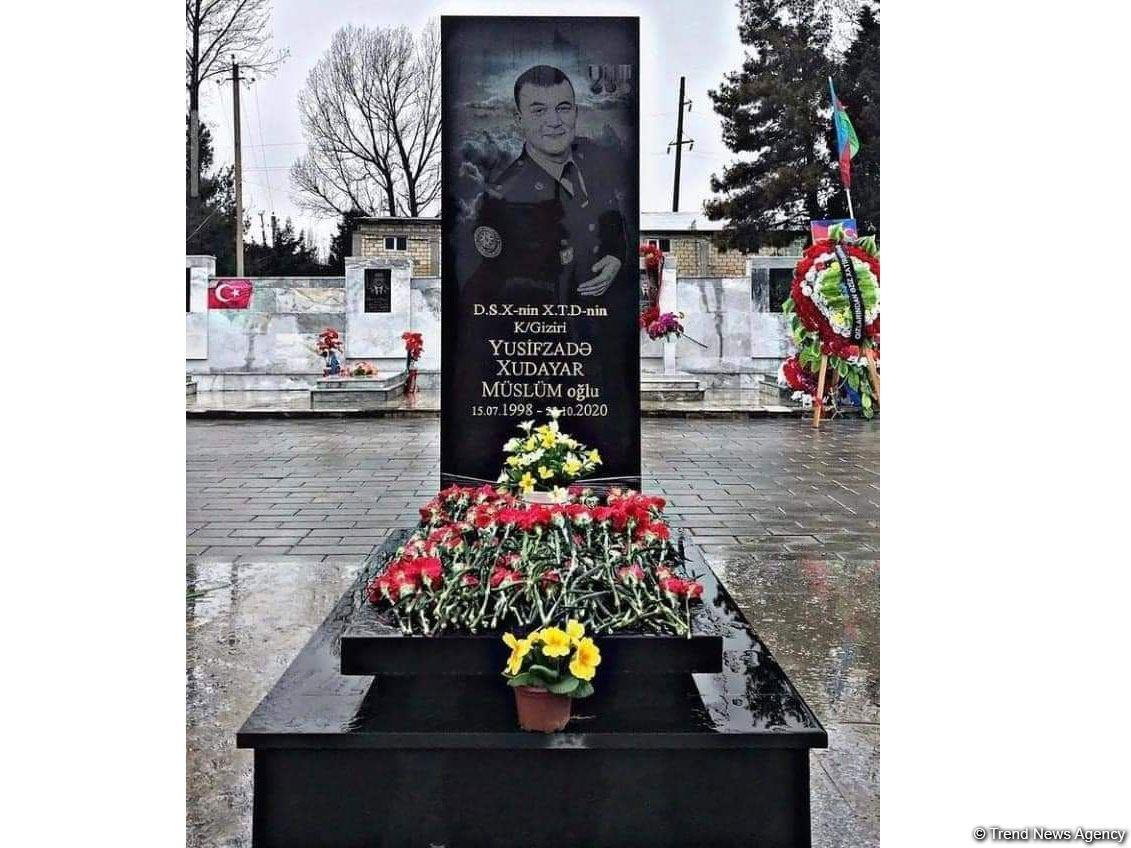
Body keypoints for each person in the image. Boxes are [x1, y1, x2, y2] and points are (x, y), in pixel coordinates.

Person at [461, 65, 629, 306]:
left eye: (563, 108)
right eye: (539, 110)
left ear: (576, 112)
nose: (554, 121)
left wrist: (616, 254)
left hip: (604, 317)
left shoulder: (594, 156)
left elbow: (611, 217)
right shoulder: (502, 199)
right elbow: (490, 288)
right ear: (519, 119)